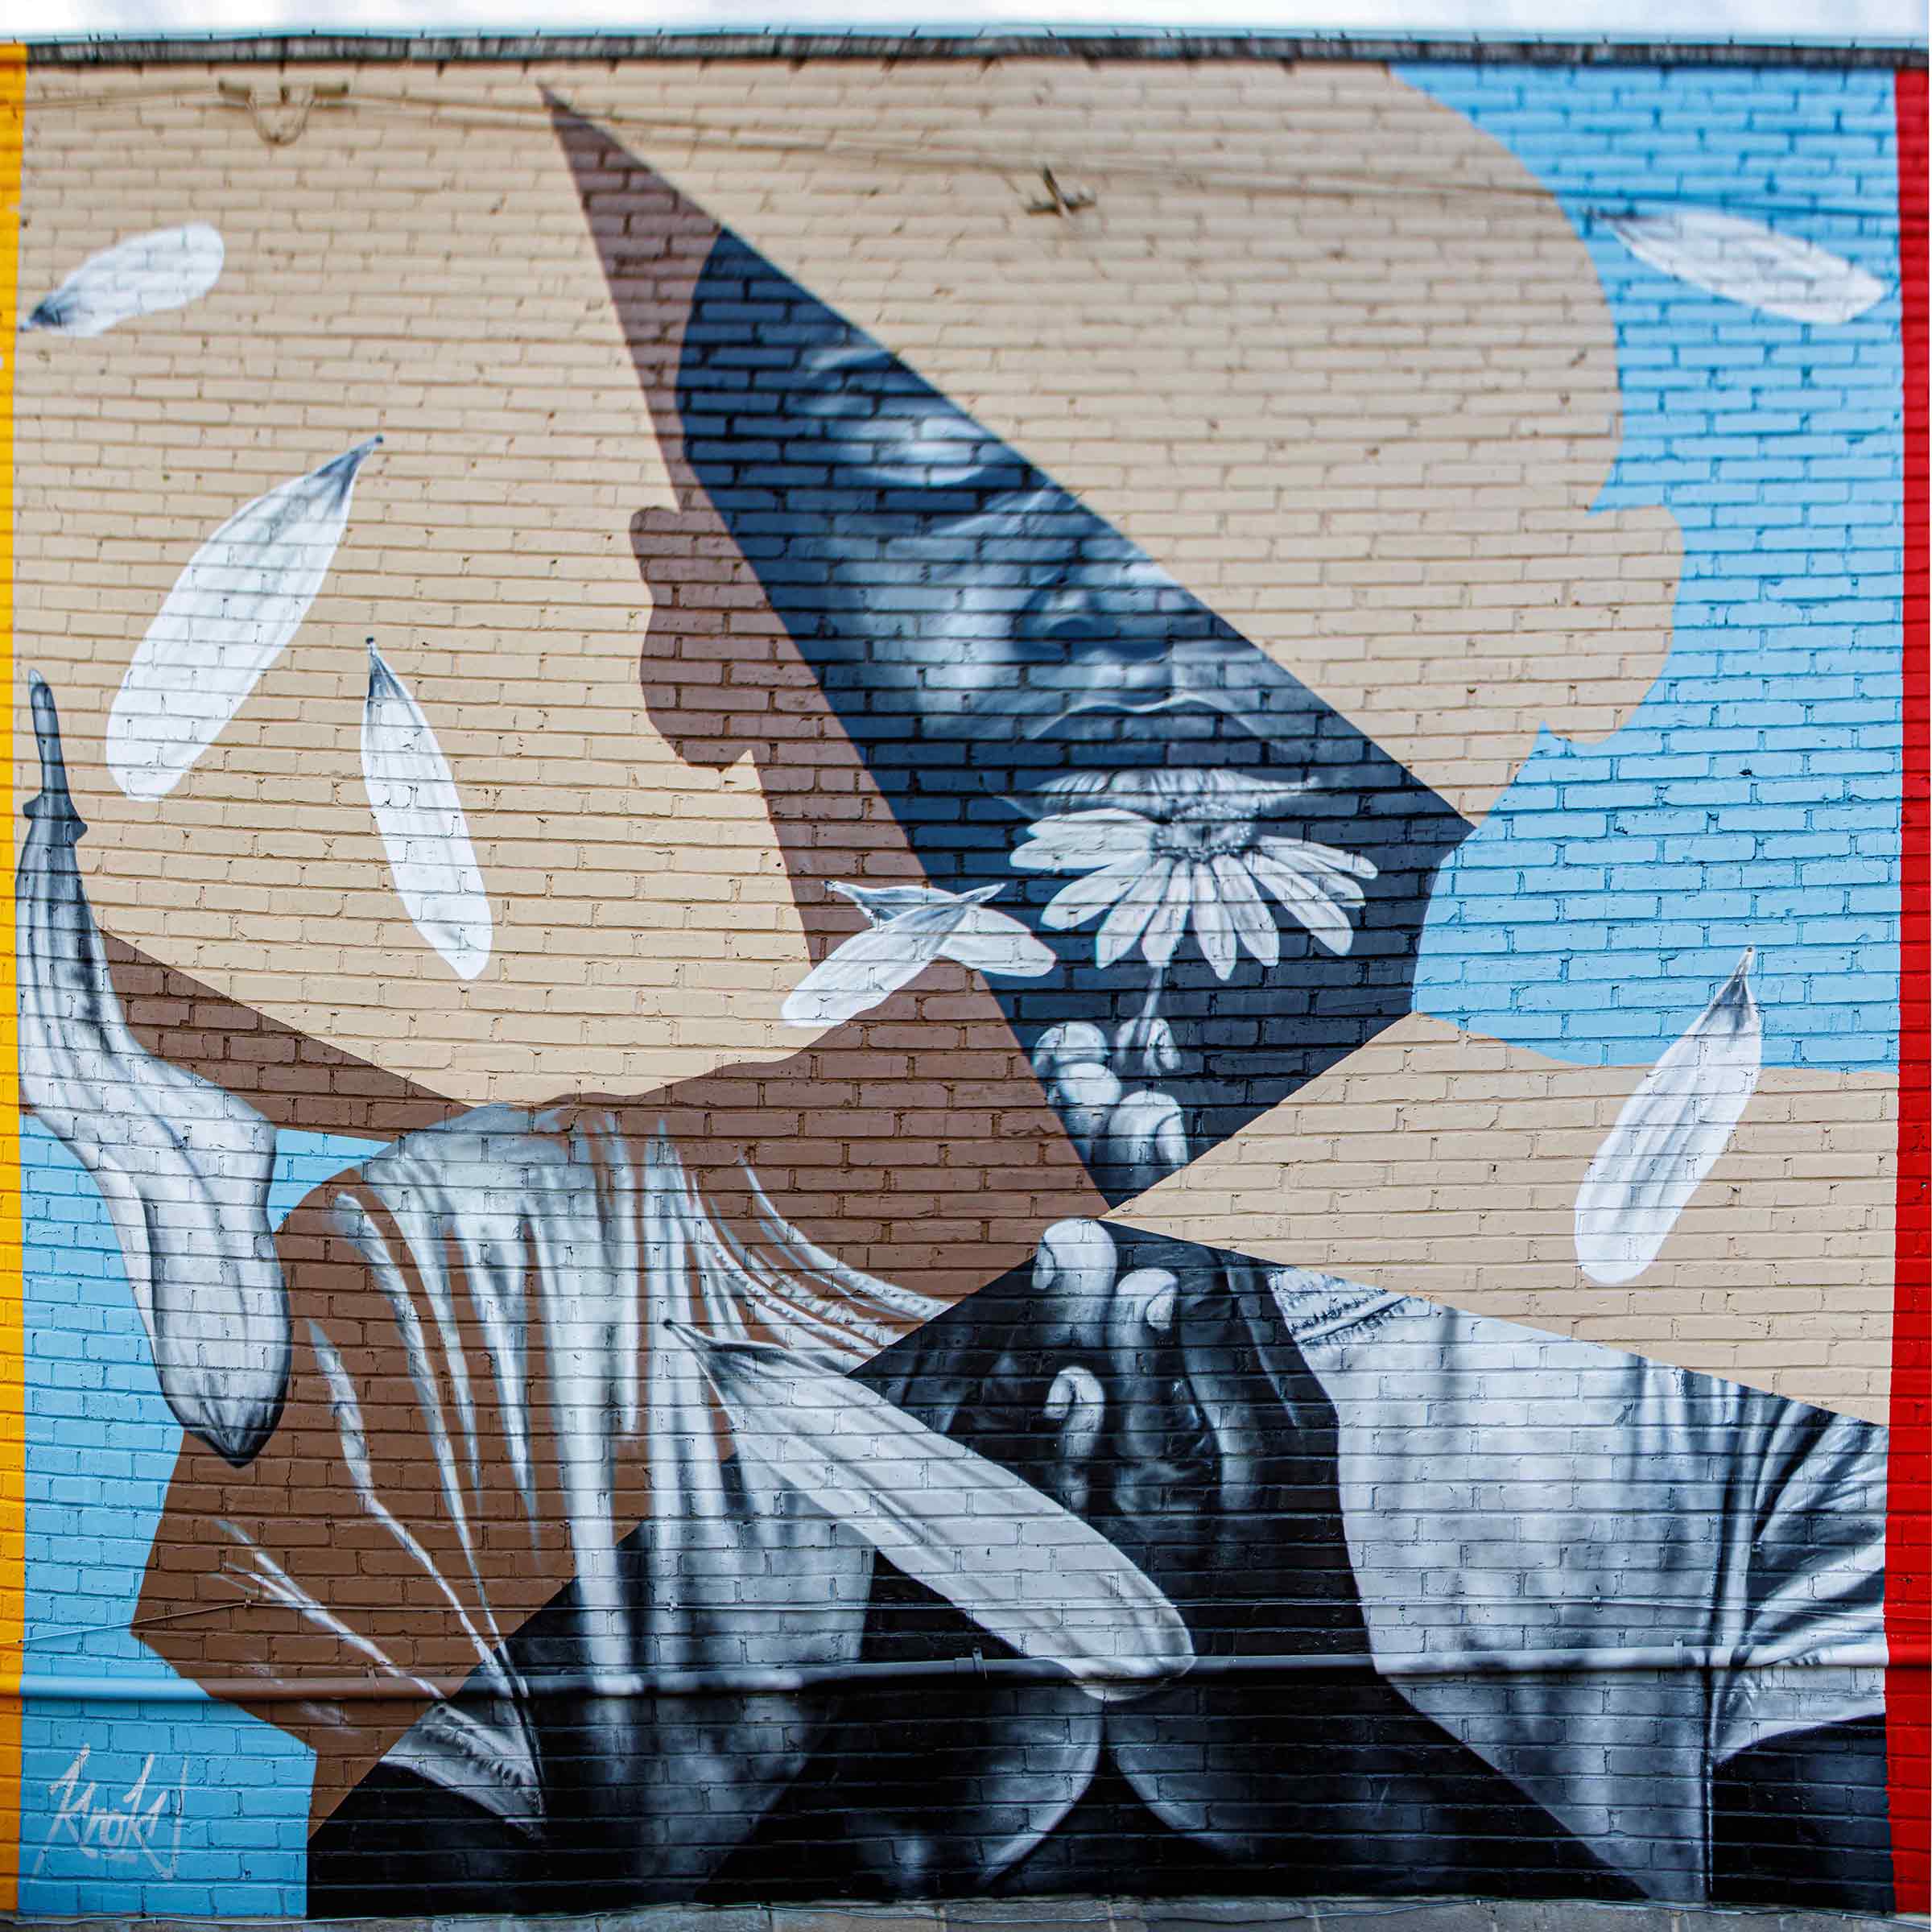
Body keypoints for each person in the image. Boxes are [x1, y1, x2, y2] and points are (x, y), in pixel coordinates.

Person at [14, 78, 1890, 1918]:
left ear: (1589, 609)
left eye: (1318, 466)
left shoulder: (1769, 1290)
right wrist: (907, 1754)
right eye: (947, 453)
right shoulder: (440, 1301)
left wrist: (1313, 1728)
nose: (1144, 578)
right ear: (707, 622)